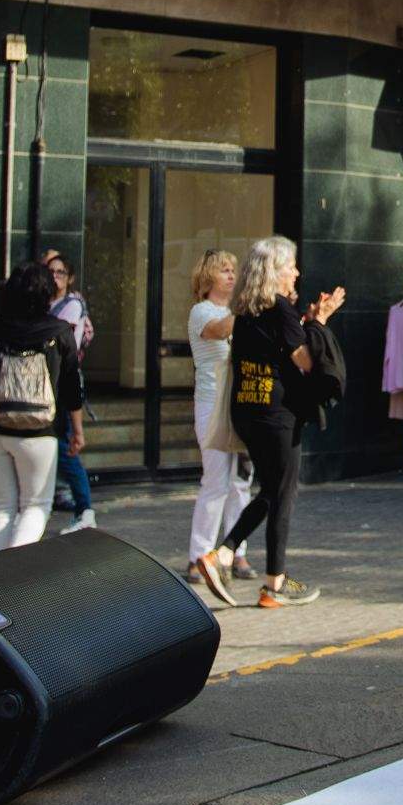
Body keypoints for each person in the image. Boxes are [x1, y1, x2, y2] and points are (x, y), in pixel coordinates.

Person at [201, 235, 344, 609]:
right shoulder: (280, 309)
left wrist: (306, 320)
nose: (296, 273)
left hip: (247, 410)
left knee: (272, 490)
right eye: (290, 267)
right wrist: (320, 323)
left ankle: (234, 560)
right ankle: (268, 582)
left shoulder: (246, 310)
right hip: (277, 415)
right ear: (274, 272)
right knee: (284, 493)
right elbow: (306, 363)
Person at [0, 257, 85, 553]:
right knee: (35, 507)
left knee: (0, 508)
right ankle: (13, 576)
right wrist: (77, 430)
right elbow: (72, 388)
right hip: (39, 433)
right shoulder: (60, 332)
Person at [184, 250, 256, 590]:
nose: (231, 275)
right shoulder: (203, 312)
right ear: (209, 277)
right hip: (212, 405)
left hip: (240, 405)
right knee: (216, 482)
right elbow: (218, 331)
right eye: (224, 271)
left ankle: (235, 551)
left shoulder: (236, 312)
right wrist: (248, 307)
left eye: (233, 270)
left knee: (241, 483)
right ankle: (199, 555)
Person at [42, 250, 98, 532]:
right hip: (43, 385)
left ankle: (85, 508)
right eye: (50, 271)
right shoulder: (44, 302)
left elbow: (58, 341)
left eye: (60, 272)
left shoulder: (72, 304)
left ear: (70, 277)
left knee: (66, 447)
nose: (55, 276)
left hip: (62, 383)